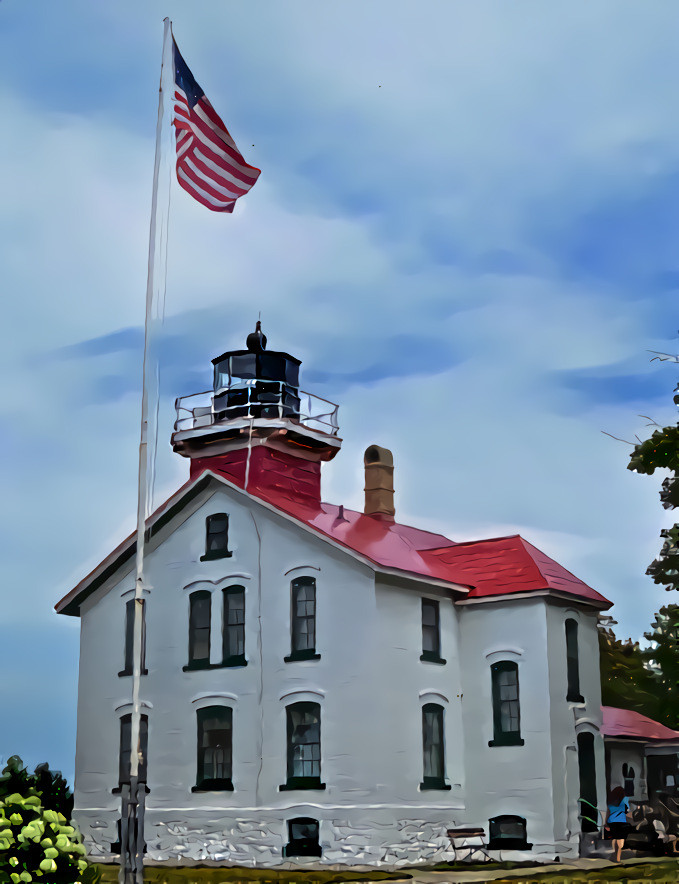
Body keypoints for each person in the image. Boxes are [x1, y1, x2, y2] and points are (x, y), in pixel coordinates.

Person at [606, 785, 630, 862]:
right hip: (621, 822)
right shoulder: (625, 799)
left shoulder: (610, 800)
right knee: (620, 842)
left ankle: (616, 857)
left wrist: (606, 823)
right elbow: (627, 810)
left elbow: (608, 812)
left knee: (615, 838)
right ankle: (618, 859)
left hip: (612, 822)